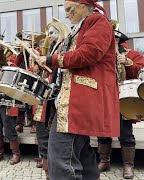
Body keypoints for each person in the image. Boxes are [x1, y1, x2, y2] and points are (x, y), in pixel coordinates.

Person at [35, 0, 120, 179]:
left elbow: (89, 53)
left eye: (69, 9)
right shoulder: (80, 27)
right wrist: (46, 63)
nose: (66, 15)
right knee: (81, 154)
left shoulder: (98, 21)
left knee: (60, 157)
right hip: (74, 99)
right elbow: (71, 63)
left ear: (82, 4)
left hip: (78, 101)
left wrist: (51, 59)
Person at [97, 28, 144, 179]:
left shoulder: (131, 54)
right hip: (104, 98)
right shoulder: (101, 55)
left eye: (114, 39)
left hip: (123, 98)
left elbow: (141, 71)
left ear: (117, 40)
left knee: (125, 134)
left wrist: (129, 63)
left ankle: (128, 166)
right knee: (102, 133)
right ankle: (104, 161)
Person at [31, 18, 70, 177]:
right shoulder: (52, 49)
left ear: (61, 31)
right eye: (48, 33)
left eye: (52, 32)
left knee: (58, 141)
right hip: (49, 98)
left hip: (62, 99)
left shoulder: (64, 47)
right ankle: (49, 170)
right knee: (44, 134)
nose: (50, 36)